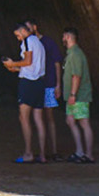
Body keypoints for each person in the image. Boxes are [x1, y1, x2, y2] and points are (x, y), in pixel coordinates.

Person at [2, 22, 47, 163]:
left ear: (23, 31)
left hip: (28, 84)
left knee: (24, 118)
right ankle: (43, 155)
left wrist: (13, 63)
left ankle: (28, 153)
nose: (18, 38)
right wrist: (14, 69)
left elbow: (27, 61)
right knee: (39, 119)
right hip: (40, 83)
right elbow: (32, 66)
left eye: (18, 35)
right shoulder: (39, 43)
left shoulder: (28, 41)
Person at [29, 19, 64, 161]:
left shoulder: (48, 42)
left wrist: (58, 84)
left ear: (35, 27)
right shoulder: (31, 43)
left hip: (48, 84)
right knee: (39, 118)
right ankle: (44, 150)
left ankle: (53, 150)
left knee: (48, 118)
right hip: (38, 84)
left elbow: (57, 63)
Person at [61, 27, 94, 163]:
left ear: (68, 36)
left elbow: (76, 76)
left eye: (63, 36)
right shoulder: (71, 53)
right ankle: (79, 151)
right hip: (72, 96)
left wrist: (73, 94)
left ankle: (89, 155)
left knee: (84, 123)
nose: (62, 38)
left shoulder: (75, 54)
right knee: (70, 121)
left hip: (78, 95)